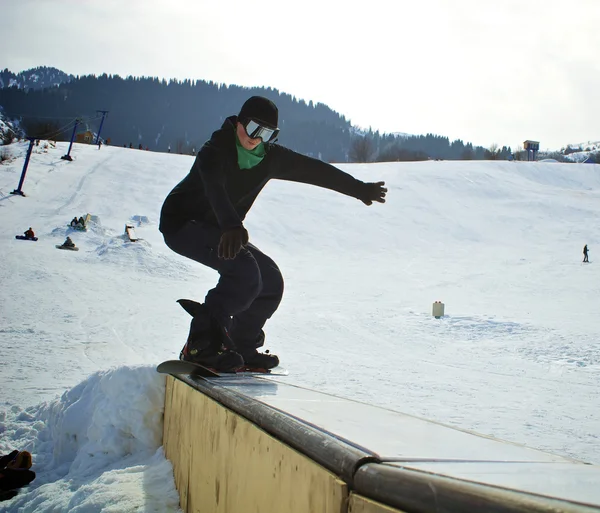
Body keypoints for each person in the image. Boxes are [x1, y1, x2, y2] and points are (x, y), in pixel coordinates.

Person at [159, 96, 387, 372]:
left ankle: (241, 344)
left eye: (267, 134)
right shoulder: (215, 150)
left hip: (222, 229)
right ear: (239, 122)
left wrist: (358, 189)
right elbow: (214, 188)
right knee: (243, 272)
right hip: (182, 223)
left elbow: (314, 171)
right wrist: (232, 225)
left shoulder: (269, 158)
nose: (257, 139)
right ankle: (200, 345)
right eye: (254, 128)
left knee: (269, 281)